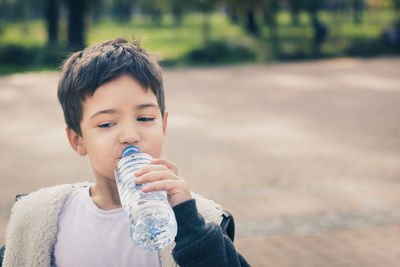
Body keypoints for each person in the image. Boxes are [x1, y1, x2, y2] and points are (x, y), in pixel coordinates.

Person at [0, 38, 250, 267]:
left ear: (163, 127)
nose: (130, 135)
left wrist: (190, 223)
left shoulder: (197, 222)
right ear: (78, 140)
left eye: (144, 118)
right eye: (107, 123)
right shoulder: (40, 221)